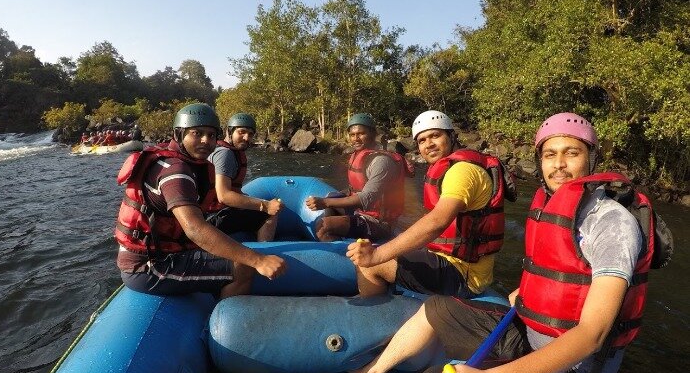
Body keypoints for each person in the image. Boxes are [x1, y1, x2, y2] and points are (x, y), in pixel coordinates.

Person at [352, 112, 670, 373]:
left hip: (571, 371)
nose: (558, 164)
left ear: (592, 157)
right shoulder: (555, 205)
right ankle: (376, 372)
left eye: (571, 153)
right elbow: (562, 273)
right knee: (437, 309)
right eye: (549, 154)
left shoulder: (612, 223)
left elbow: (592, 334)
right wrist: (529, 291)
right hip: (531, 331)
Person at [114, 104, 286, 298]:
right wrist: (258, 260)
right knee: (243, 268)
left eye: (211, 135)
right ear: (179, 134)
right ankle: (222, 323)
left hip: (163, 250)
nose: (205, 141)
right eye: (197, 133)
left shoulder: (180, 162)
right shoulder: (175, 171)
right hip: (150, 266)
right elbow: (195, 229)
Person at [346, 110, 515, 298]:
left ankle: (372, 316)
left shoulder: (462, 171)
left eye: (435, 136)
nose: (429, 144)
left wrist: (377, 255)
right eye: (422, 140)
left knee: (370, 265)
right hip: (454, 262)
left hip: (462, 274)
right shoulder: (450, 167)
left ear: (451, 136)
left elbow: (437, 221)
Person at [305, 113, 413, 242]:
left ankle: (343, 259)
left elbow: (365, 198)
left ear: (372, 134)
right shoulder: (360, 154)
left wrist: (324, 202)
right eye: (352, 135)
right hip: (362, 212)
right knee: (332, 199)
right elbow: (356, 189)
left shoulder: (381, 162)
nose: (355, 138)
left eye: (361, 134)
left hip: (380, 223)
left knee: (323, 227)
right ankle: (341, 242)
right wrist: (331, 199)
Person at [205, 112, 283, 241]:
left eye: (250, 134)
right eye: (241, 132)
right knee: (268, 215)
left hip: (211, 213)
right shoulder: (225, 154)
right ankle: (264, 253)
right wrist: (266, 206)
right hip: (212, 218)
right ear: (229, 131)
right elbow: (223, 196)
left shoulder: (225, 151)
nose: (246, 138)